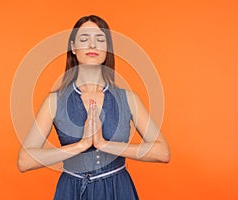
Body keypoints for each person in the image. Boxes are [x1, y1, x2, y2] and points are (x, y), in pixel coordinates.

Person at [17, 15, 170, 200]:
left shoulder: (128, 99)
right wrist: (81, 145)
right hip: (71, 191)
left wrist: (104, 144)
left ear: (107, 48)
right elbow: (24, 161)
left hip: (118, 190)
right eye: (84, 39)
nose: (92, 45)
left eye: (100, 39)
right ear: (73, 47)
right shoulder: (54, 101)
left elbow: (162, 153)